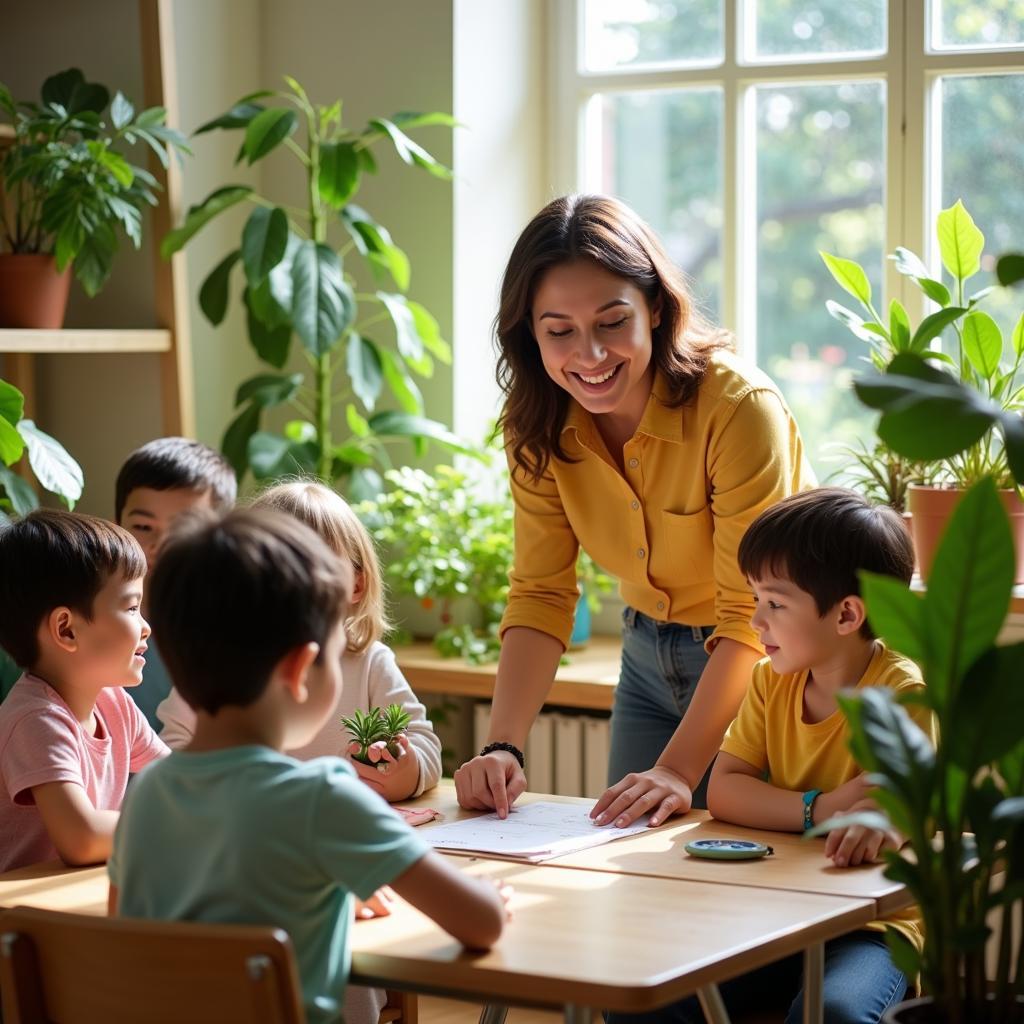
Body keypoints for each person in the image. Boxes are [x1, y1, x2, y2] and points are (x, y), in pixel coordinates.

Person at [454, 194, 812, 824]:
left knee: (754, 885)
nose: (589, 355)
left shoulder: (737, 409)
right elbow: (541, 592)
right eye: (559, 331)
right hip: (645, 659)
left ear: (655, 307)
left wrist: (676, 770)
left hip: (767, 661)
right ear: (530, 335)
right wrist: (503, 745)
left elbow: (748, 614)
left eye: (612, 322)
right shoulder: (536, 425)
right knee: (632, 865)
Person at [108, 508, 509, 1024]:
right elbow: (482, 924)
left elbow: (124, 941)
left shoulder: (145, 793)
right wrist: (489, 897)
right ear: (300, 669)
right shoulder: (326, 797)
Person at [610, 488, 932, 1024]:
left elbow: (892, 818)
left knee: (834, 1014)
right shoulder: (769, 681)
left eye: (775, 604)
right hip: (772, 916)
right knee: (640, 1000)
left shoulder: (900, 693)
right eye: (755, 599)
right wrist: (825, 809)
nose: (755, 621)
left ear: (847, 614)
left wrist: (873, 817)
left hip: (870, 931)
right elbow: (726, 791)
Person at [157, 478, 443, 796]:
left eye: (314, 568)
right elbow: (172, 747)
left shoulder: (370, 661)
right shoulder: (221, 657)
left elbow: (423, 742)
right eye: (272, 570)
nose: (293, 586)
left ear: (356, 584)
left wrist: (406, 772)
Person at [0, 510, 167, 871]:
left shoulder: (114, 703)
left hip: (69, 896)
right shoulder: (36, 719)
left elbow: (179, 777)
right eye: (132, 608)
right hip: (21, 916)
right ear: (67, 631)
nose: (145, 627)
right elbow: (82, 837)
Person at [114, 436, 237, 731]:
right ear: (116, 526)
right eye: (144, 527)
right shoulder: (92, 620)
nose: (160, 544)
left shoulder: (232, 630)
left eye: (183, 528)